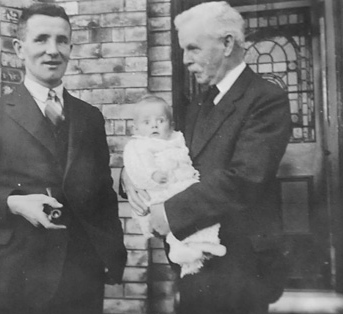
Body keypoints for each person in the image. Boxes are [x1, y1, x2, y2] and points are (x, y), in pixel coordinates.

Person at [0, 3, 126, 314]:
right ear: (19, 48)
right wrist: (13, 202)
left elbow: (103, 196)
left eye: (62, 40)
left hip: (81, 274)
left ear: (71, 47)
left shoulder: (90, 118)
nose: (52, 51)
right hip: (15, 274)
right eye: (41, 39)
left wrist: (111, 254)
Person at [122, 2, 291, 314]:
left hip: (241, 265)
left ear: (227, 43)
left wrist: (169, 213)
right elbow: (169, 151)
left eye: (193, 48)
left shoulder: (266, 98)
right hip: (196, 259)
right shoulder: (200, 103)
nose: (186, 60)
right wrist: (130, 179)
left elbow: (246, 178)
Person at [123, 95, 226, 278]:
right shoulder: (139, 145)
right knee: (174, 225)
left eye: (160, 121)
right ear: (136, 128)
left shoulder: (175, 139)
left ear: (170, 124)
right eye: (147, 122)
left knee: (195, 220)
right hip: (159, 192)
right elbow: (135, 164)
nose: (154, 126)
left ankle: (203, 244)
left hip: (187, 193)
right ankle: (180, 248)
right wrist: (148, 175)